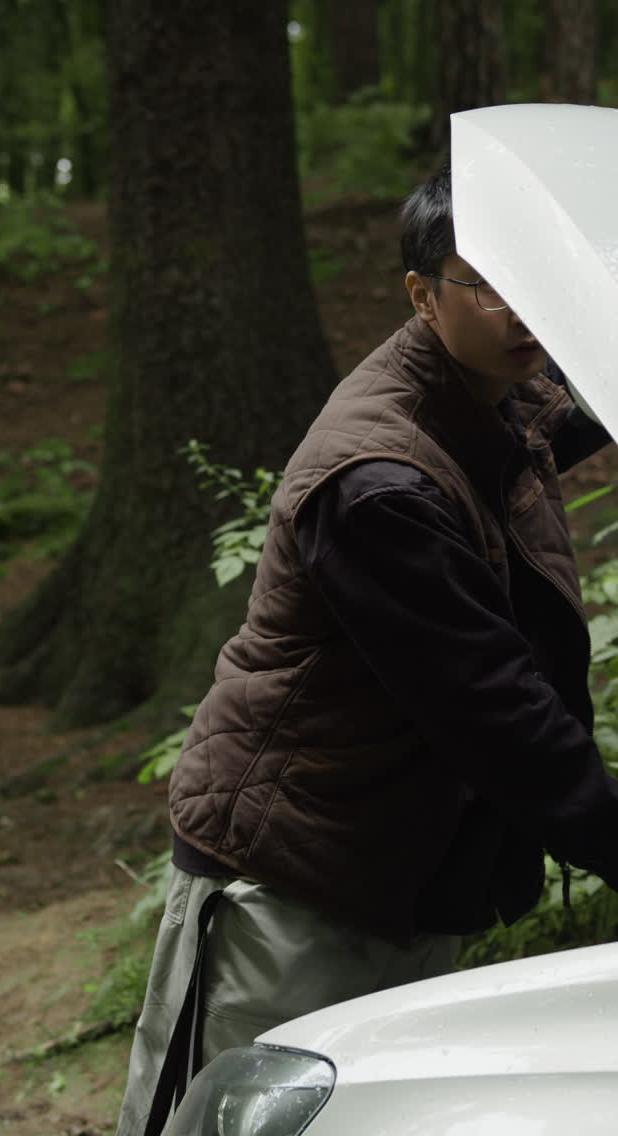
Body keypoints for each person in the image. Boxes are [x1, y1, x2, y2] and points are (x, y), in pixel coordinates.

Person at [116, 166, 618, 1136]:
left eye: (534, 279)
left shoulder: (493, 392)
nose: (519, 308)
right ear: (422, 294)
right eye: (487, 281)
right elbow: (498, 712)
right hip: (299, 882)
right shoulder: (379, 481)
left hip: (407, 863)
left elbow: (573, 406)